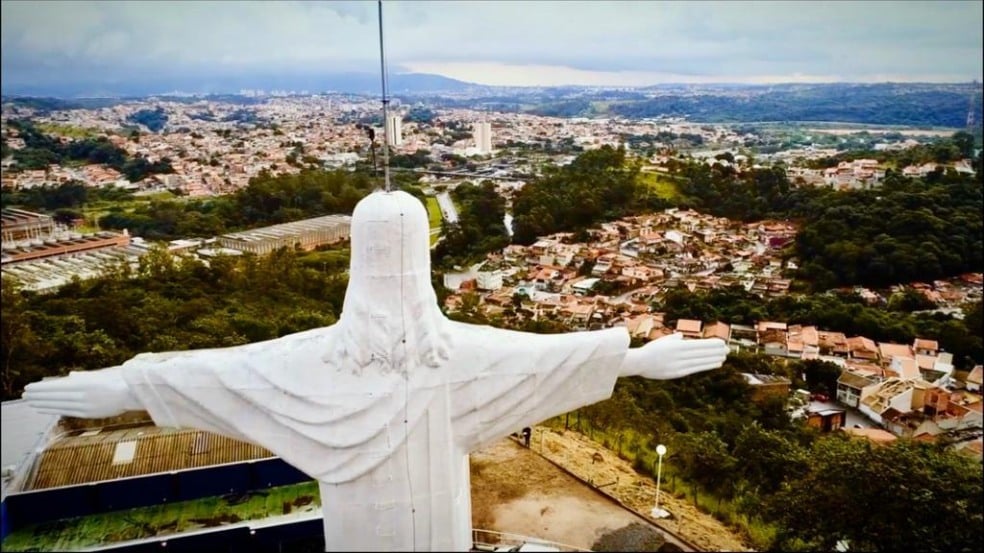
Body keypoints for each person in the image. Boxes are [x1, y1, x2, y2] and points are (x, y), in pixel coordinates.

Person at [23, 190, 729, 552]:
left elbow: (198, 376)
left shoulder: (305, 365)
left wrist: (118, 384)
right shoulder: (455, 356)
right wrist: (638, 360)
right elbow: (551, 358)